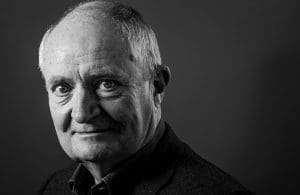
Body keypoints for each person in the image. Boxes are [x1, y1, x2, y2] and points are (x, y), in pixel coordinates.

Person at [38, 0, 253, 194]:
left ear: (156, 85)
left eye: (107, 84)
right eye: (63, 88)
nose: (82, 113)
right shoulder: (53, 188)